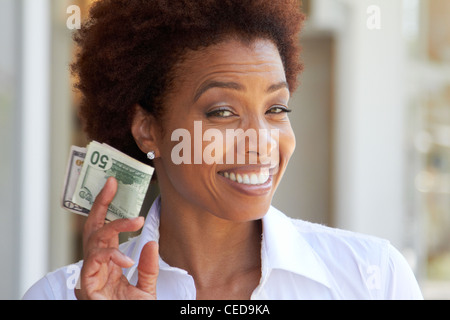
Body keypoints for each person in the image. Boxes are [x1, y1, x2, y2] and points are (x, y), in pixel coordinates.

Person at [23, 0, 423, 300]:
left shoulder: (373, 279)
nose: (262, 140)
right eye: (223, 112)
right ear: (148, 130)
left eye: (276, 109)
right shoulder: (60, 295)